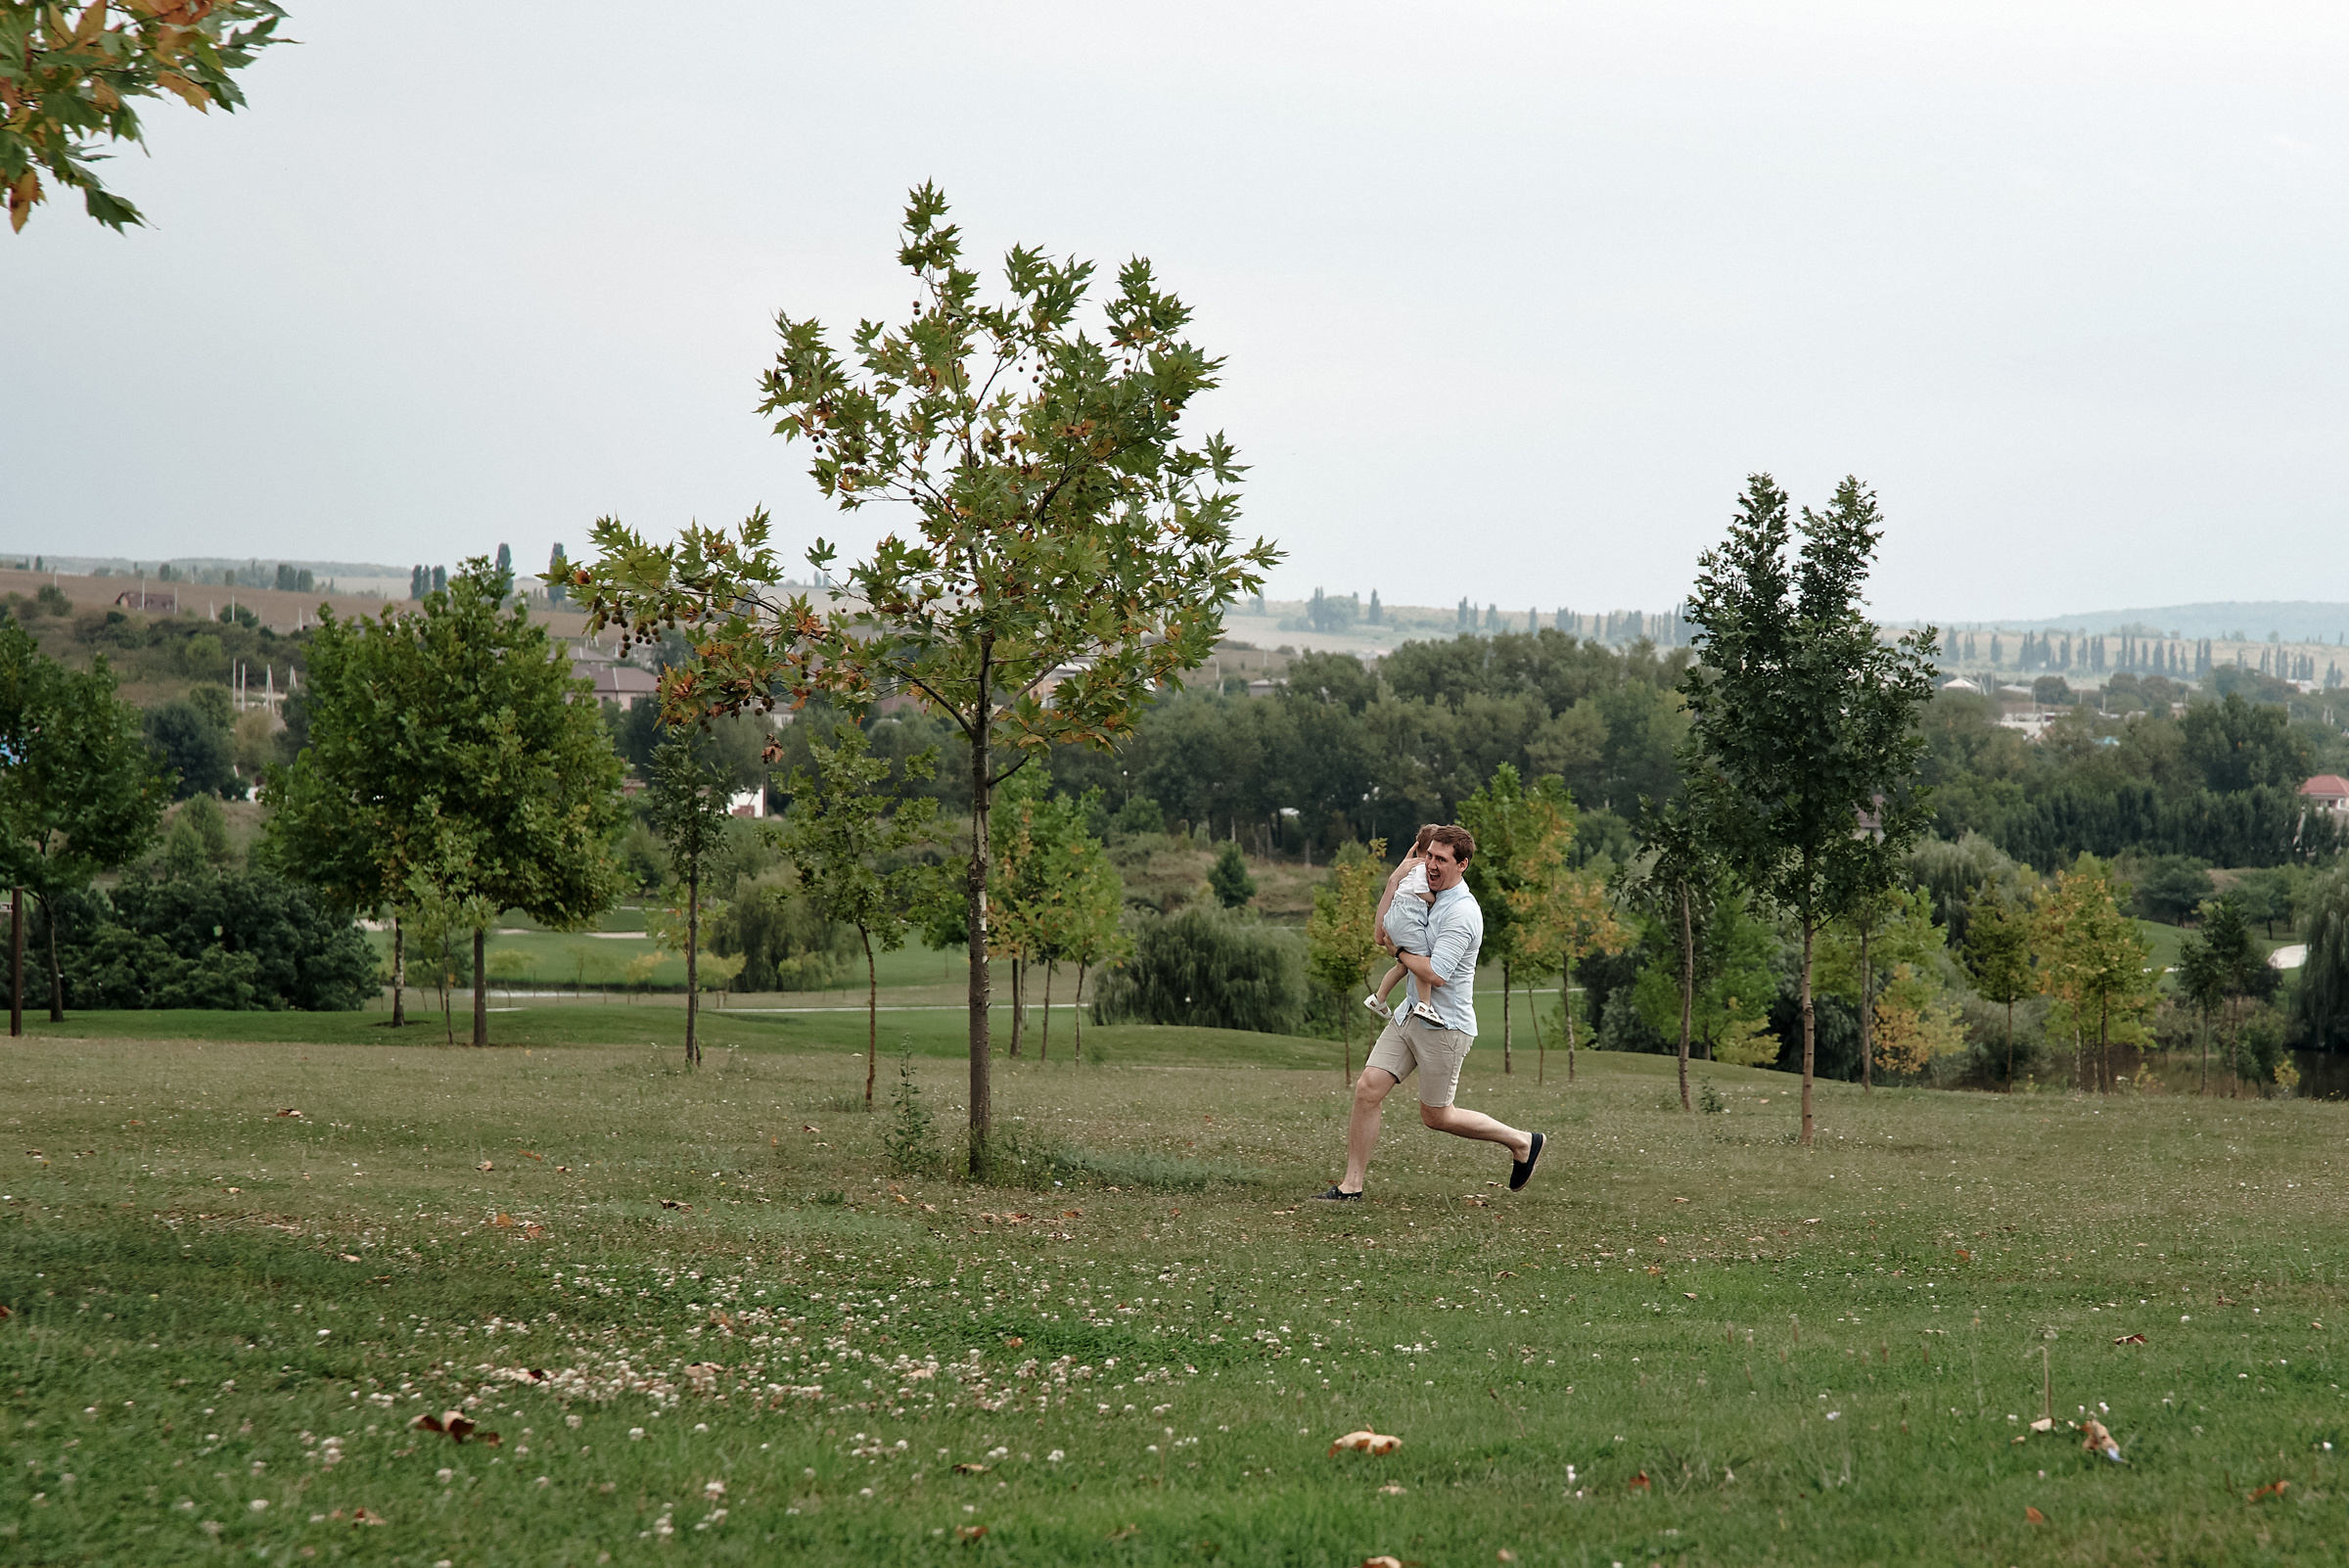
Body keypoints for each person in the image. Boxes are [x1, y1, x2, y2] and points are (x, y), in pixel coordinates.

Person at [1312, 824, 1544, 1202]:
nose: (1431, 865)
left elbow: (1435, 974)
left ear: (1462, 864)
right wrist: (1393, 881)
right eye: (1429, 856)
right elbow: (1381, 933)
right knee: (1368, 1089)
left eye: (1441, 859)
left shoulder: (1462, 913)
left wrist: (1400, 953)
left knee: (1436, 1116)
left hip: (1445, 1026)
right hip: (1409, 1014)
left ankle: (1522, 1142)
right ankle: (1351, 1186)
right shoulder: (1422, 893)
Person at [1365, 824, 1444, 1025]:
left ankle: (1379, 998)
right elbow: (1420, 890)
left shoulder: (1406, 868)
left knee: (1402, 967)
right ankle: (1424, 1004)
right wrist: (1435, 899)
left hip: (1394, 916)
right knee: (1422, 961)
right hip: (1408, 917)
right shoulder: (1422, 868)